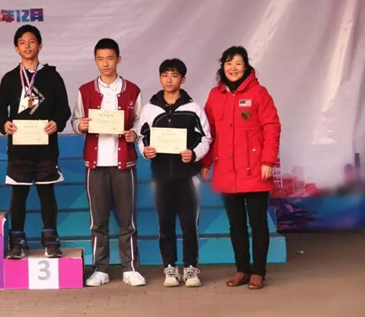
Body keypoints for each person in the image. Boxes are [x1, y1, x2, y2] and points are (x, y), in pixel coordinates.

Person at [201, 46, 281, 290]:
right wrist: (205, 163)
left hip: (255, 170)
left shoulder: (259, 93)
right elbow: (208, 132)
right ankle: (242, 270)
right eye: (228, 63)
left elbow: (272, 127)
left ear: (246, 67)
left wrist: (268, 161)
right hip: (226, 170)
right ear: (222, 67)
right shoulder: (215, 95)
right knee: (236, 225)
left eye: (238, 63)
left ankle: (258, 271)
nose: (233, 68)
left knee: (258, 224)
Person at [71, 38, 146, 287]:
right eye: (101, 59)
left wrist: (134, 134)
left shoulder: (132, 90)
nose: (105, 63)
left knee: (128, 220)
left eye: (110, 58)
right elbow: (75, 121)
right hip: (95, 165)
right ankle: (100, 268)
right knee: (98, 221)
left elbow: (141, 122)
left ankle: (130, 267)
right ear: (95, 61)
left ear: (118, 59)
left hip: (124, 163)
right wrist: (81, 125)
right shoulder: (85, 90)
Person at [0, 25, 70, 258]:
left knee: (47, 194)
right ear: (16, 49)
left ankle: (51, 242)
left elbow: (63, 109)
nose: (27, 46)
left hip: (46, 148)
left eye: (32, 41)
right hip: (19, 150)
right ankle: (17, 242)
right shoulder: (9, 79)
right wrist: (4, 124)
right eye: (22, 43)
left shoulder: (52, 77)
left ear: (40, 45)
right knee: (19, 196)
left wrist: (57, 122)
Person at [138, 58, 211, 287]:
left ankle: (190, 269)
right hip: (160, 176)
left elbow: (206, 137)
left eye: (174, 75)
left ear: (183, 79)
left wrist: (194, 154)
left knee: (189, 224)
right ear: (160, 78)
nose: (169, 80)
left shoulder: (193, 109)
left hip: (187, 177)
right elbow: (141, 137)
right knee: (165, 224)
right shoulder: (149, 109)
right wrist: (145, 151)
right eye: (165, 75)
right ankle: (169, 268)